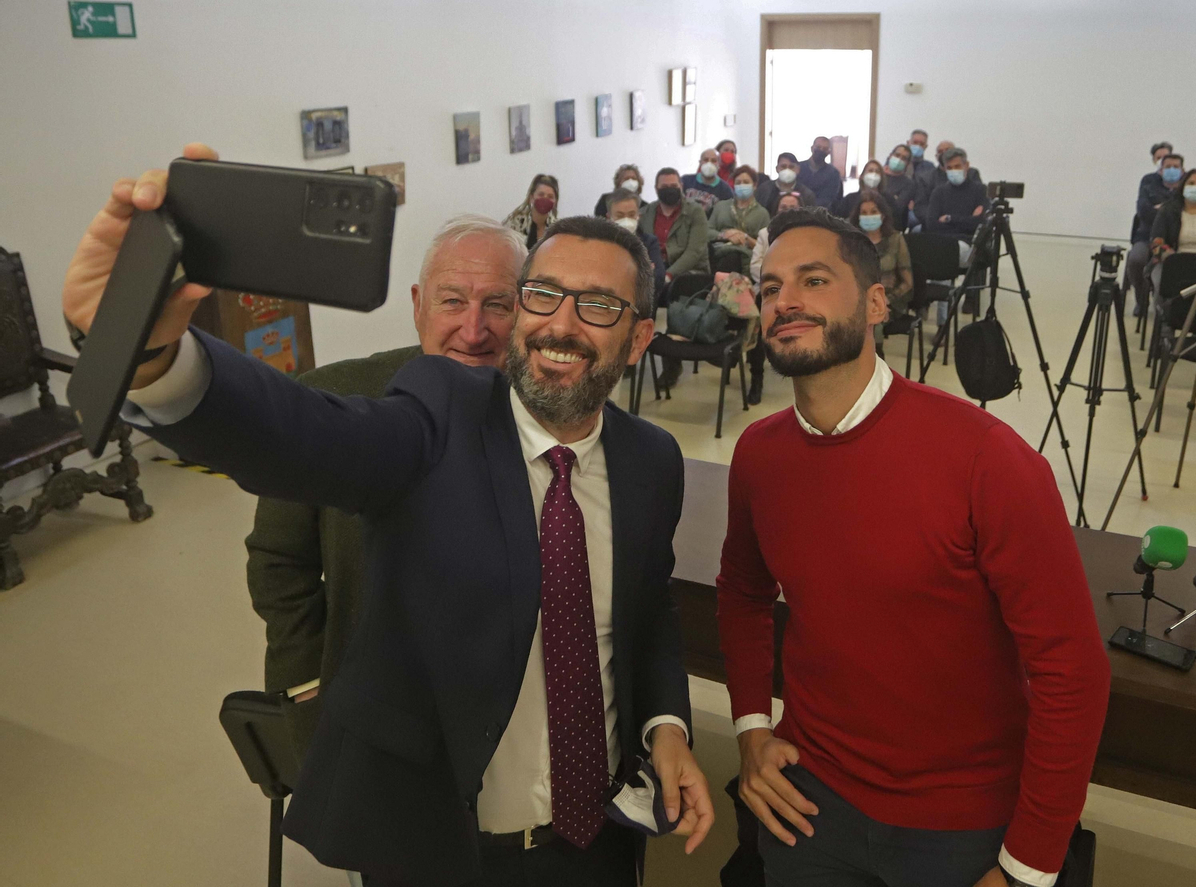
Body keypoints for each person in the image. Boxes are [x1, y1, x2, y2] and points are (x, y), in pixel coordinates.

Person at [66, 144, 714, 885]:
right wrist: (153, 354)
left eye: (596, 305)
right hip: (438, 848)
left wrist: (666, 727)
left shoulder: (651, 459)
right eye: (541, 295)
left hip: (598, 839)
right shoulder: (438, 415)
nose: (559, 324)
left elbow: (648, 607)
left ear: (637, 340)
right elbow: (299, 433)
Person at [719, 206, 1110, 887]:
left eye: (814, 280)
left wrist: (1028, 867)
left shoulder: (986, 458)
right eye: (773, 285)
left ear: (875, 303)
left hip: (963, 827)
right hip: (811, 809)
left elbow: (1072, 671)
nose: (787, 302)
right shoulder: (759, 454)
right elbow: (743, 593)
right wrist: (752, 729)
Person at [247, 215, 525, 762]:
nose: (474, 330)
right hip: (367, 710)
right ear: (418, 304)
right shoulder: (335, 400)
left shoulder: (548, 415)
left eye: (498, 304)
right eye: (452, 302)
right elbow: (278, 560)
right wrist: (306, 686)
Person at [745, 191, 806, 405]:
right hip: (767, 291)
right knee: (760, 328)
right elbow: (755, 265)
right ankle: (756, 378)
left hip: (801, 293)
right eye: (783, 208)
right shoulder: (765, 234)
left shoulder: (809, 236)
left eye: (792, 208)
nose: (787, 212)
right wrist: (777, 284)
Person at [851, 189, 913, 344]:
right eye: (864, 213)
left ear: (882, 215)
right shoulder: (852, 241)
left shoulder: (895, 240)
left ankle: (875, 361)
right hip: (857, 298)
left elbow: (908, 283)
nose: (869, 216)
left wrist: (886, 300)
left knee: (871, 322)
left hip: (890, 298)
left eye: (873, 211)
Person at [1128, 150, 1185, 315]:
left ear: (1182, 171)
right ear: (1161, 170)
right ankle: (1141, 301)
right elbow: (1143, 212)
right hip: (1147, 236)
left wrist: (1161, 209)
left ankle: (1173, 308)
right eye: (1168, 166)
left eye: (1176, 167)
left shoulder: (1188, 186)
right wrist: (1170, 213)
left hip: (1177, 240)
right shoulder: (1148, 182)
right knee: (1136, 259)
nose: (1172, 170)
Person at [641, 167, 710, 283]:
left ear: (681, 186)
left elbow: (694, 252)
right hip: (655, 269)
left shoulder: (695, 211)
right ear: (656, 189)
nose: (669, 190)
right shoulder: (646, 213)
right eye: (664, 187)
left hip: (689, 272)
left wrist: (668, 275)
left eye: (673, 186)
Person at [604, 190, 668, 305]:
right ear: (609, 217)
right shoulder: (601, 244)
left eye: (631, 215)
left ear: (638, 215)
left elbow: (658, 278)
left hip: (640, 305)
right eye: (620, 216)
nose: (627, 220)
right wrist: (642, 270)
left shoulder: (649, 242)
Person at [1149, 168, 1196, 261]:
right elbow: (1156, 242)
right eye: (1191, 183)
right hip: (1171, 262)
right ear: (1183, 186)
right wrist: (1169, 256)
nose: (1195, 187)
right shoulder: (1167, 210)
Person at [709, 165, 772, 275]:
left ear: (755, 185)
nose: (742, 185)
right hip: (719, 252)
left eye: (746, 182)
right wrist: (724, 235)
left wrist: (745, 238)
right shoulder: (721, 206)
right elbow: (706, 231)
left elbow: (766, 246)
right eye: (738, 182)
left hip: (746, 258)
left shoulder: (762, 213)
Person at [924, 146, 989, 240]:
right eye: (949, 168)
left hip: (969, 243)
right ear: (945, 169)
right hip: (942, 242)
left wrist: (949, 218)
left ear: (966, 165)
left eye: (957, 166)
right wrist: (967, 220)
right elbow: (931, 225)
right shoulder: (939, 192)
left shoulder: (981, 190)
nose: (953, 170)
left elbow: (980, 223)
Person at [505, 173, 560, 249]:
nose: (545, 199)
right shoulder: (515, 223)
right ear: (531, 197)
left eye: (550, 197)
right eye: (541, 194)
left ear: (555, 201)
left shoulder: (557, 229)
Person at [797, 136, 844, 209]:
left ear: (829, 152)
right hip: (797, 210)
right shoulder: (798, 168)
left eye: (825, 149)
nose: (821, 150)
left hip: (822, 214)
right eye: (818, 147)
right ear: (812, 148)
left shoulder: (833, 173)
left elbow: (829, 198)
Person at [684, 148, 735, 213]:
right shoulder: (686, 181)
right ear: (700, 162)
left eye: (713, 160)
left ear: (719, 164)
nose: (709, 163)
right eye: (706, 160)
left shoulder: (726, 190)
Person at [880, 144, 919, 227]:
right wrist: (892, 197)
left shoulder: (909, 184)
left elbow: (897, 208)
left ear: (907, 164)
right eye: (897, 155)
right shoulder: (878, 176)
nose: (899, 159)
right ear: (890, 156)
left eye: (904, 158)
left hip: (893, 225)